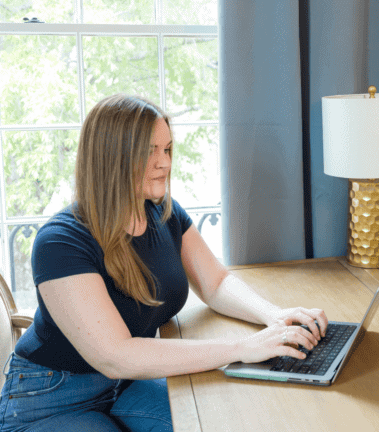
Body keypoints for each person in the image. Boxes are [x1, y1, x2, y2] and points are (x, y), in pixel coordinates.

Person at [0, 94, 329, 431]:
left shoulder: (163, 212)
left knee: (224, 420)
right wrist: (242, 347)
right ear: (110, 157)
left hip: (129, 383)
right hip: (51, 396)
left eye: (167, 149)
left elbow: (214, 282)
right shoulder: (60, 241)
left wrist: (272, 315)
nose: (165, 163)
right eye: (149, 151)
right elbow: (115, 355)